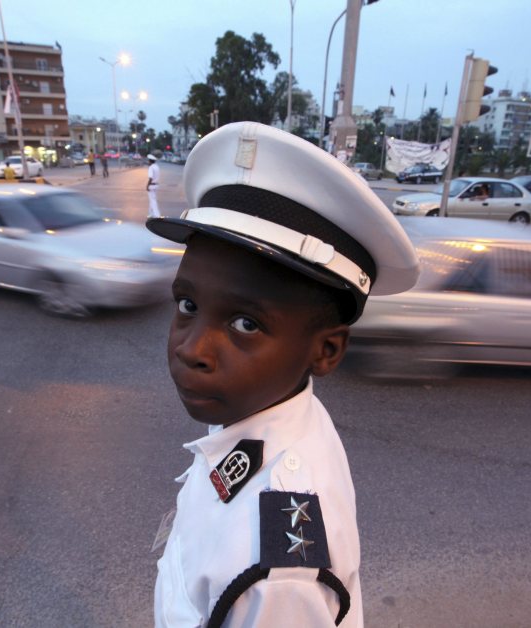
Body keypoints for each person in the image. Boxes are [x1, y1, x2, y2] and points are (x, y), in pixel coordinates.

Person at [146, 122, 419, 628]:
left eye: (245, 324)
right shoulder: (269, 406)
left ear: (327, 351)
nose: (191, 348)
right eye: (187, 304)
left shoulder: (274, 577)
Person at [147, 153, 161, 218]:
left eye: (148, 160)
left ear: (150, 161)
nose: (148, 162)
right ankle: (150, 214)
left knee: (153, 200)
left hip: (151, 185)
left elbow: (150, 178)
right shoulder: (156, 166)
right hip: (156, 185)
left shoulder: (151, 167)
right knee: (152, 199)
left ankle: (157, 215)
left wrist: (147, 185)